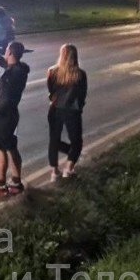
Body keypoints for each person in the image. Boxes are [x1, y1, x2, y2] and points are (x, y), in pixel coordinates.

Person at [0, 41, 29, 197]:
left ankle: (0, 185)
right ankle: (16, 182)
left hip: (3, 117)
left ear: (10, 53)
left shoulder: (11, 75)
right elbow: (2, 61)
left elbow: (5, 98)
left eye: (6, 50)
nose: (5, 52)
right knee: (11, 147)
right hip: (12, 115)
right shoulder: (19, 69)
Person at [46, 43, 88, 179]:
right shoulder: (80, 74)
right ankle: (68, 168)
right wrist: (80, 107)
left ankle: (54, 171)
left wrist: (53, 98)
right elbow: (82, 95)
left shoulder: (52, 71)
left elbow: (51, 90)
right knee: (76, 141)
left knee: (54, 140)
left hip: (55, 108)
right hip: (72, 111)